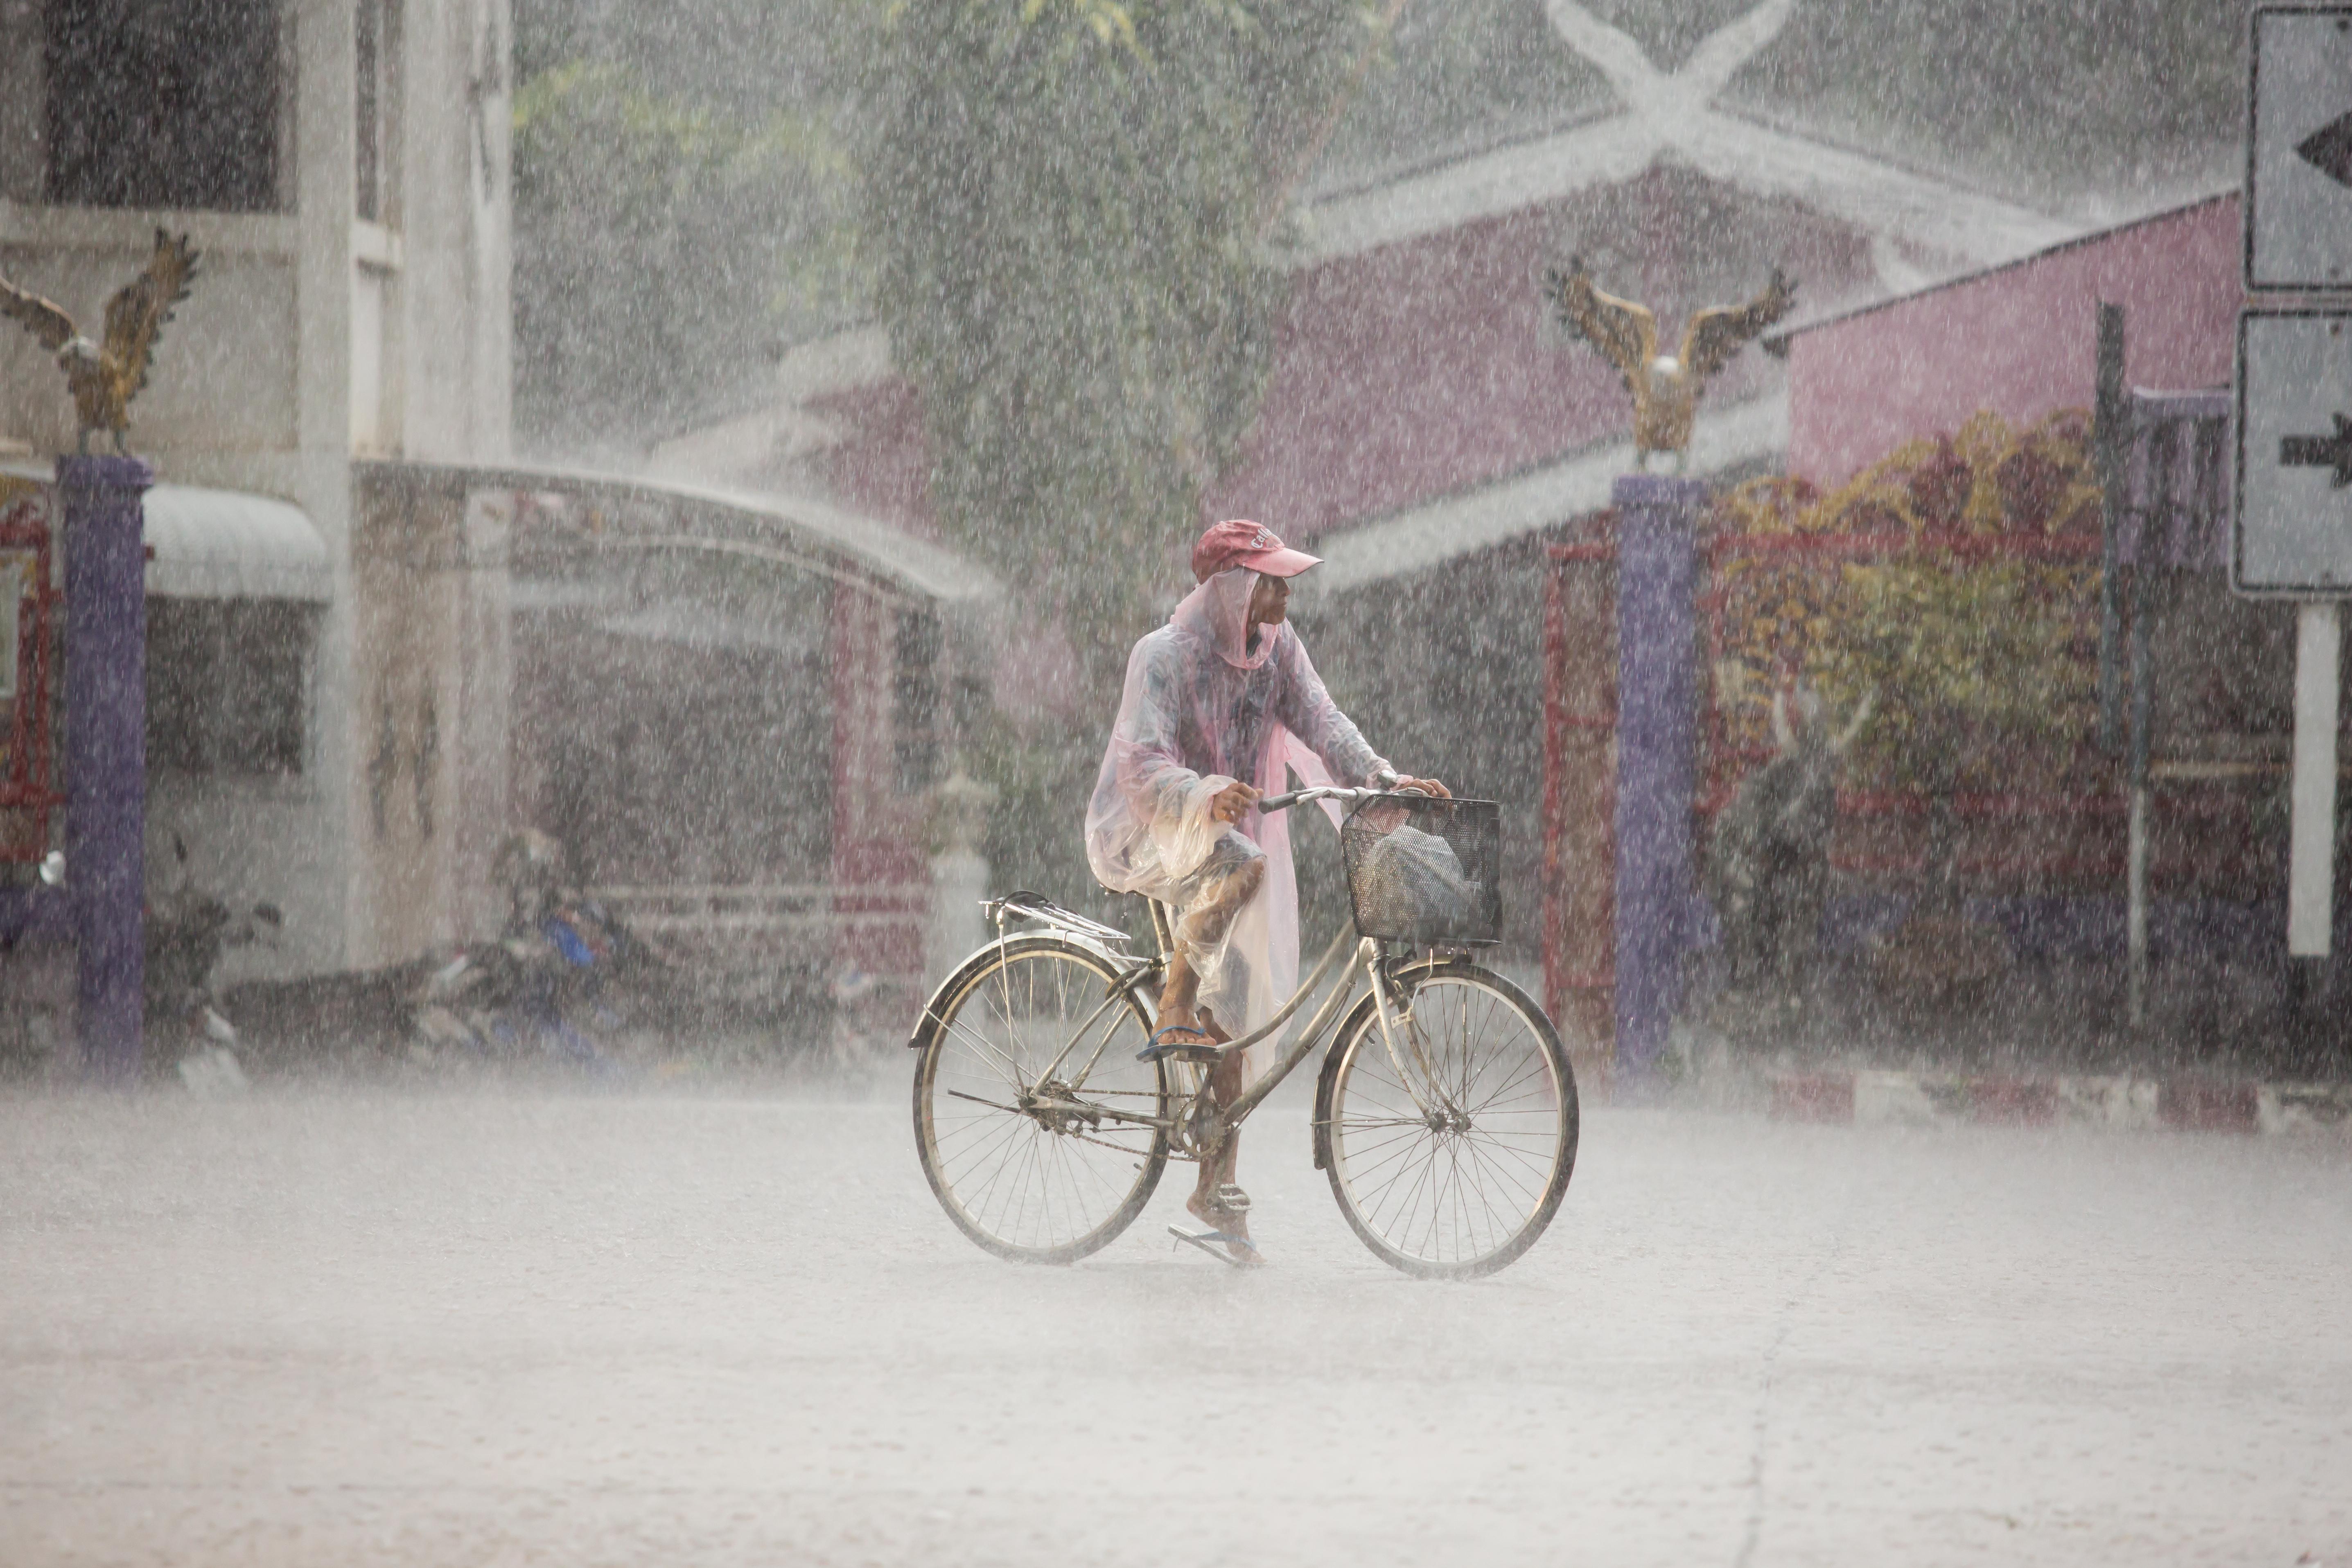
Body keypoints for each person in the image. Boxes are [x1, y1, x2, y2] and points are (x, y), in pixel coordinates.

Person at [1085, 519, 1446, 1262]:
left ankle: (1213, 1194)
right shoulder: (1163, 656)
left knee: (1240, 1017)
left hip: (1233, 834)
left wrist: (1382, 777)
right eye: (1269, 581)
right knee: (1240, 877)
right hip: (1163, 826)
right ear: (1231, 589)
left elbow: (1321, 719)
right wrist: (1201, 794)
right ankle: (1173, 1002)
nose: (1282, 594)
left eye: (1282, 581)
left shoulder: (1277, 650)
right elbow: (1140, 760)